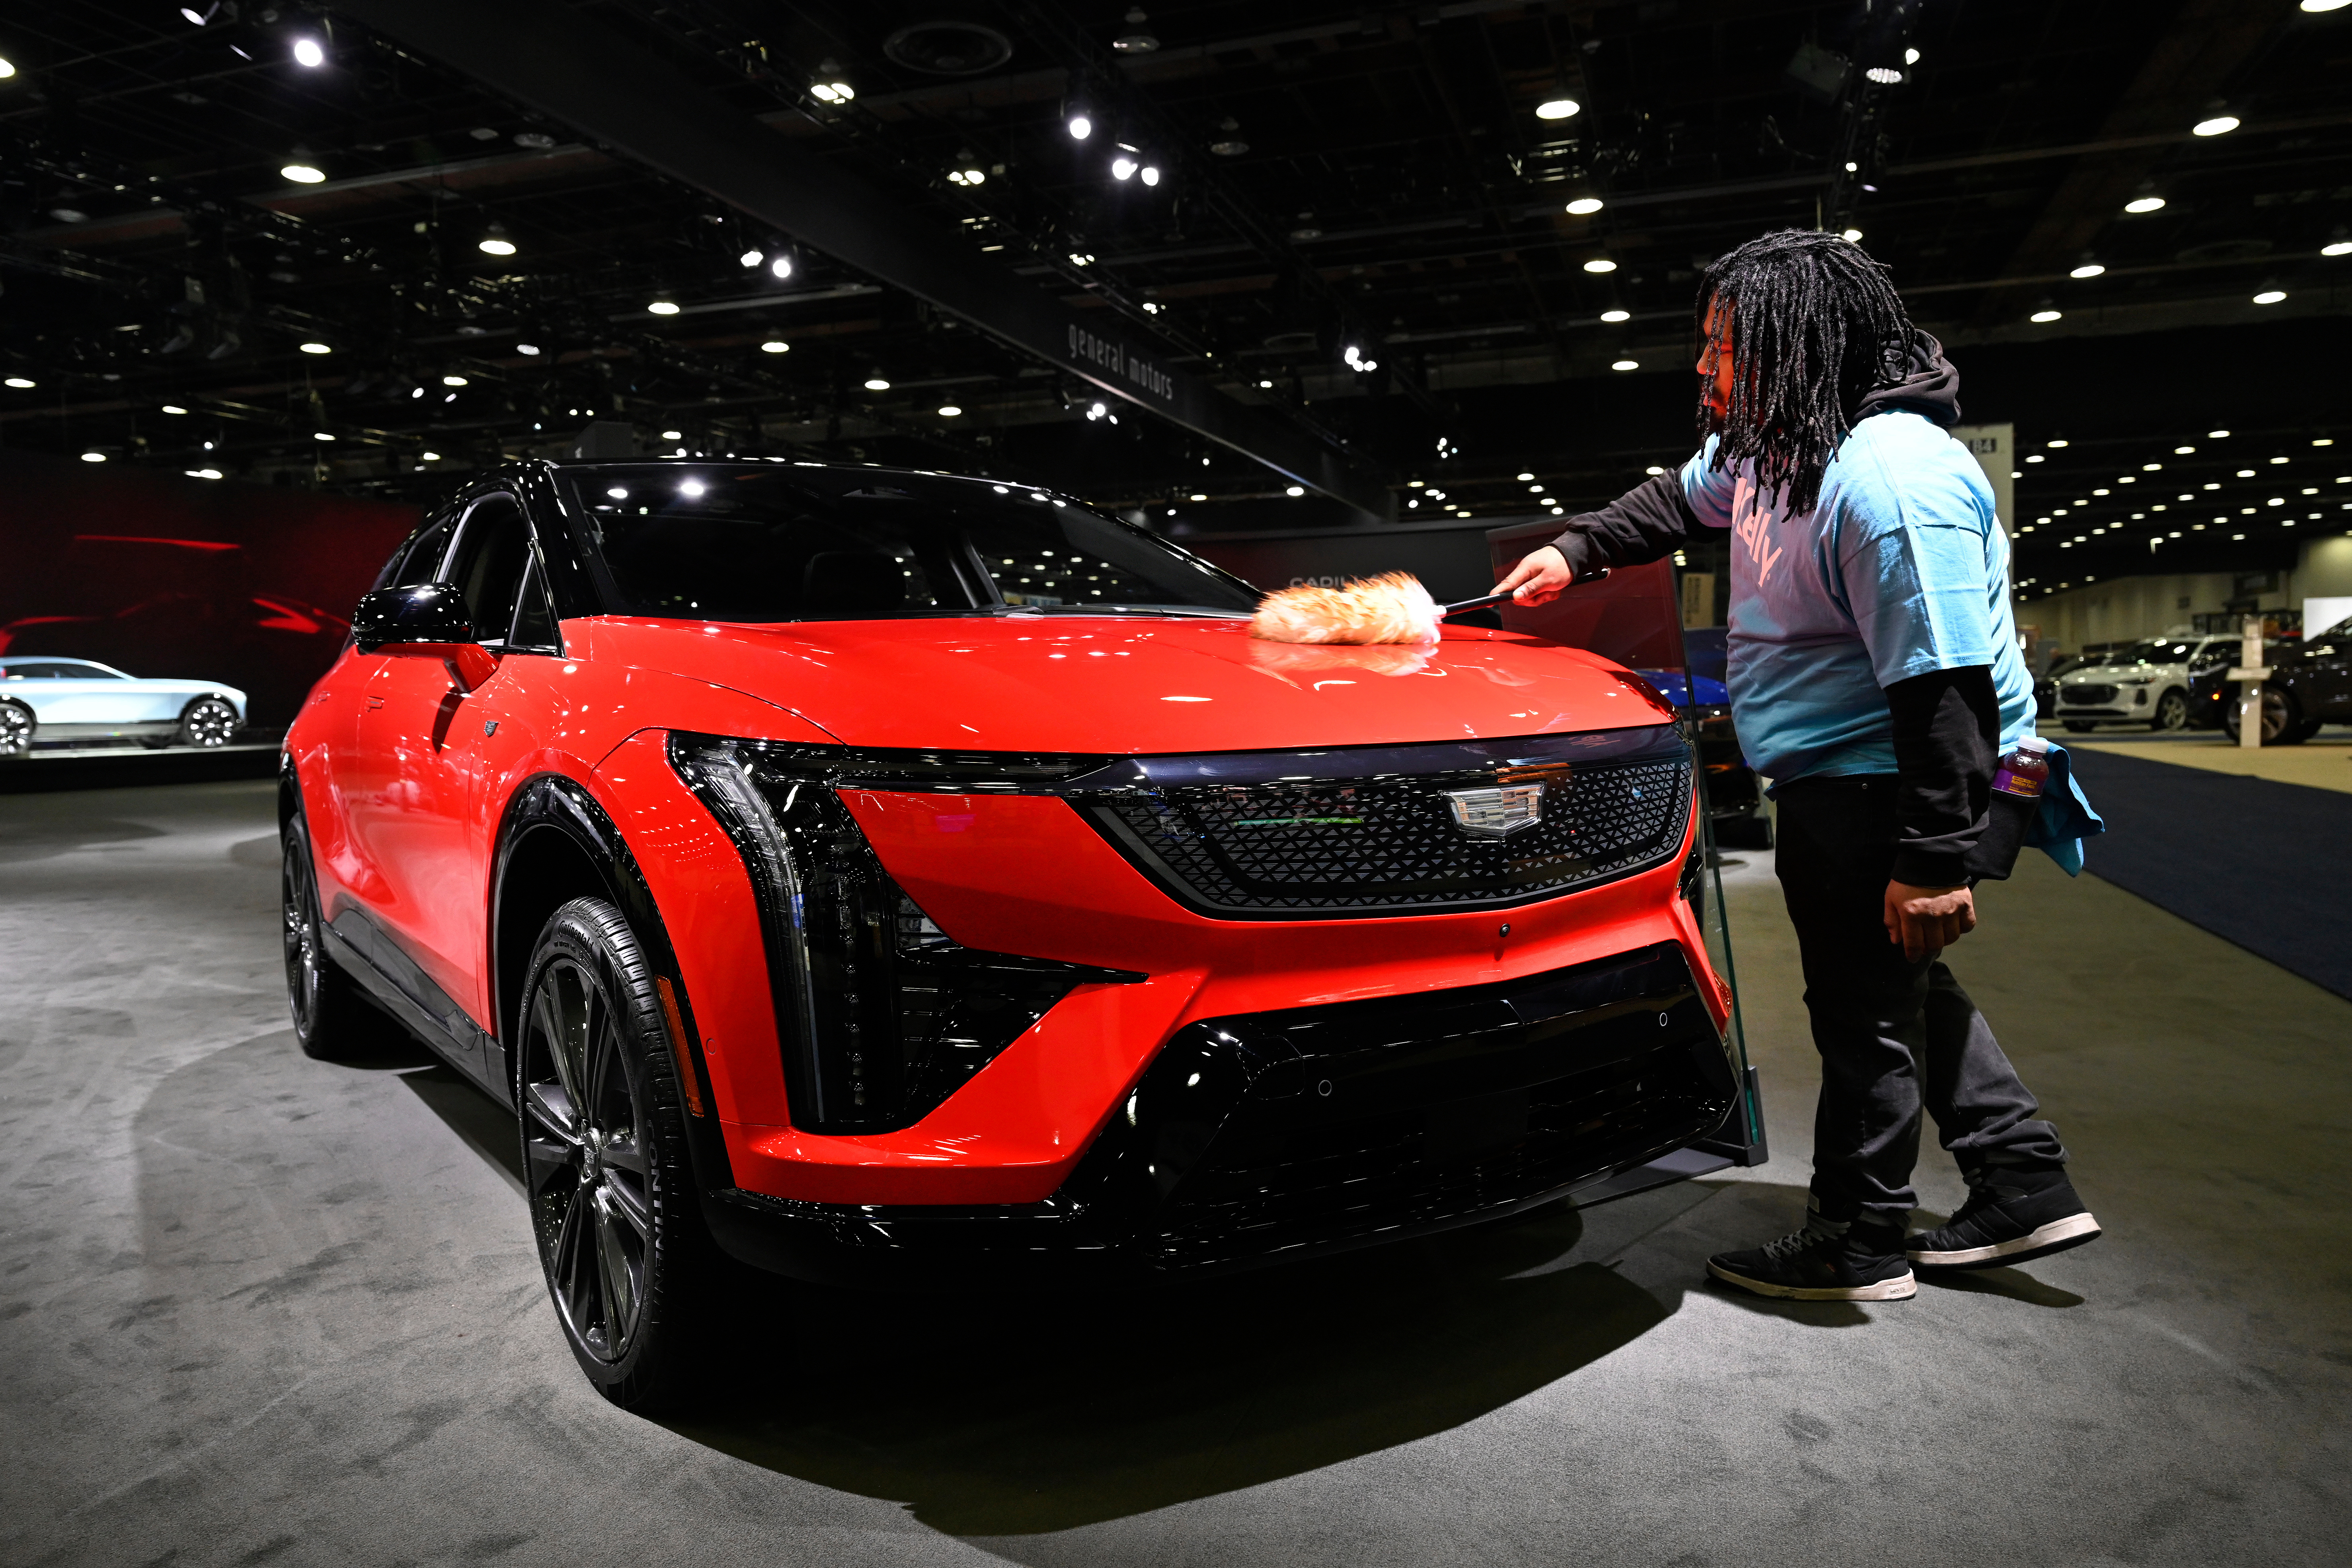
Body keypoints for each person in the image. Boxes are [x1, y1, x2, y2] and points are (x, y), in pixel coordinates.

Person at [1495, 228, 2100, 1303]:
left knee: (1862, 1008)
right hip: (1849, 771)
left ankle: (1858, 1237)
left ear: (1797, 346)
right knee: (1894, 984)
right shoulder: (1774, 444)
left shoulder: (1889, 480)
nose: (1704, 366)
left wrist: (1933, 860)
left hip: (1902, 774)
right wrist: (1576, 548)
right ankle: (2021, 1176)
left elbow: (1945, 690)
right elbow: (1678, 500)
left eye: (1725, 346)